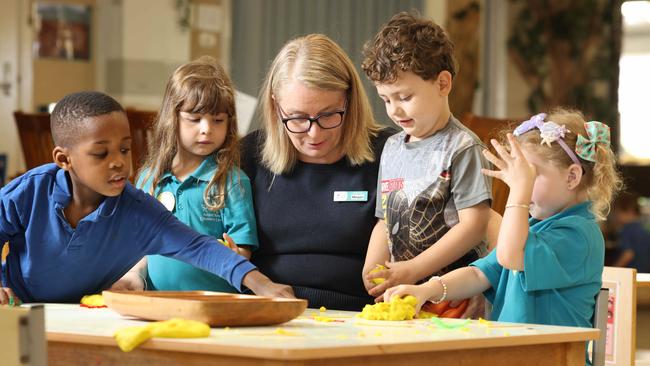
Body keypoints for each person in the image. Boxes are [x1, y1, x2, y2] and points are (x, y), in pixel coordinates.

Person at [0, 91, 294, 304]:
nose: (118, 162)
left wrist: (261, 283)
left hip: (86, 311)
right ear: (64, 159)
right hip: (19, 306)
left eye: (125, 149)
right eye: (102, 153)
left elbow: (198, 246)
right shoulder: (28, 192)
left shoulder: (138, 211)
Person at [384, 109, 622, 333]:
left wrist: (518, 192)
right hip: (515, 353)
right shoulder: (531, 227)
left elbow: (510, 256)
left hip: (558, 357)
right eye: (518, 180)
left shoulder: (579, 236)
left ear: (572, 176)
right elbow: (480, 275)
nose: (519, 187)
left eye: (529, 177)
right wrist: (426, 290)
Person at [240, 34, 395, 311]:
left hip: (363, 314)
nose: (314, 133)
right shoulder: (248, 155)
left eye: (327, 115)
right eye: (297, 118)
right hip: (266, 311)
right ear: (276, 106)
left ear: (349, 99)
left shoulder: (393, 152)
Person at [360, 12, 492, 316]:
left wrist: (415, 268)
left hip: (455, 297)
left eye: (405, 96)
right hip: (404, 295)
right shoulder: (393, 146)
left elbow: (474, 225)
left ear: (443, 83)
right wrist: (373, 266)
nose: (394, 110)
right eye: (386, 99)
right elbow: (385, 219)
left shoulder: (463, 146)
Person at [117, 56, 257, 292]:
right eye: (194, 119)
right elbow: (141, 248)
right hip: (158, 301)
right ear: (173, 119)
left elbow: (244, 249)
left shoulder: (233, 182)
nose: (207, 129)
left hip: (216, 304)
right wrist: (134, 277)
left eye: (218, 120)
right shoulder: (148, 179)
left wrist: (236, 255)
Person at [611, 192, 650, 273]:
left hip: (628, 275)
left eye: (617, 212)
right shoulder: (644, 229)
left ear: (629, 211)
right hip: (643, 273)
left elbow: (628, 254)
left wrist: (613, 269)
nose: (616, 216)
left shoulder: (627, 230)